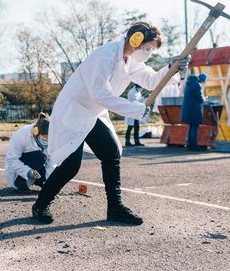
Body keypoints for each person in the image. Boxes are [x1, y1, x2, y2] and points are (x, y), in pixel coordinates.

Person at [31, 21, 186, 225]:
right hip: (74, 112)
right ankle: (40, 205)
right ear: (135, 39)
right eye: (147, 48)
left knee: (111, 152)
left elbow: (150, 80)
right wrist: (136, 108)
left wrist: (172, 68)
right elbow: (100, 95)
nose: (148, 53)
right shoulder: (106, 55)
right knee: (71, 165)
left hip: (92, 113)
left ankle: (115, 208)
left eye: (151, 50)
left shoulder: (129, 59)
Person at [5, 113, 51, 193]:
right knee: (40, 157)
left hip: (37, 167)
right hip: (18, 171)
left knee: (51, 176)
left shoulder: (52, 137)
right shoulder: (22, 135)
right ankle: (20, 182)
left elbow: (52, 161)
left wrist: (50, 181)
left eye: (48, 138)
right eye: (44, 138)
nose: (46, 141)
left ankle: (41, 182)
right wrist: (27, 171)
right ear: (36, 132)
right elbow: (11, 159)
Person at [181, 73, 207, 151]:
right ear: (202, 80)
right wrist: (205, 99)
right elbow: (199, 97)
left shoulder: (188, 84)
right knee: (194, 127)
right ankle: (193, 145)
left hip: (188, 109)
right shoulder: (197, 85)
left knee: (191, 127)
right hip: (194, 109)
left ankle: (190, 144)